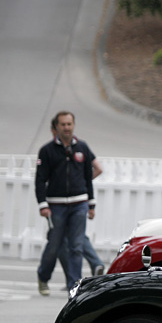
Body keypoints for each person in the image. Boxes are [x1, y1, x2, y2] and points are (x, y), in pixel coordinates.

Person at [35, 110, 96, 296]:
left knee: (76, 246)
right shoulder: (47, 151)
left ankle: (74, 286)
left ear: (73, 125)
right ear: (57, 127)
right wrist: (43, 204)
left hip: (79, 204)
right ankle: (43, 277)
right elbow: (39, 180)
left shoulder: (82, 147)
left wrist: (91, 204)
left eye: (69, 124)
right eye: (63, 124)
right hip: (56, 206)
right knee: (54, 245)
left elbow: (88, 177)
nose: (67, 128)